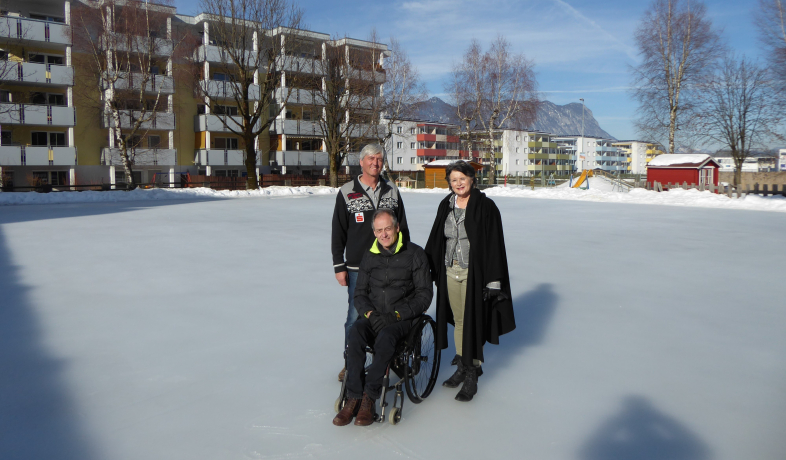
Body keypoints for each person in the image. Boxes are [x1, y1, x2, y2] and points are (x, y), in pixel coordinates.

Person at [424, 161, 516, 402]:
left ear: (472, 179)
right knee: (460, 320)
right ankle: (463, 365)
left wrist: (493, 280)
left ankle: (472, 372)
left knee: (473, 321)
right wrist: (427, 267)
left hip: (474, 273)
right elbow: (436, 237)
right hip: (450, 270)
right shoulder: (446, 204)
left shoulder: (486, 206)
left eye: (462, 178)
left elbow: (494, 243)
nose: (458, 183)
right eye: (454, 180)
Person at [332, 209, 432, 426]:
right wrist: (369, 314)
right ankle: (353, 397)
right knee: (356, 333)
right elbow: (359, 294)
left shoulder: (415, 254)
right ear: (374, 232)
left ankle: (369, 397)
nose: (384, 234)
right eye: (379, 230)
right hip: (375, 315)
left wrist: (397, 315)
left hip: (402, 319)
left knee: (386, 336)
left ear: (397, 228)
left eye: (388, 229)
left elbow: (424, 296)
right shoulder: (369, 256)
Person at [331, 144, 409, 382]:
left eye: (379, 159)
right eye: (371, 159)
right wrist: (339, 266)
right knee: (355, 317)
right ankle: (351, 363)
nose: (376, 163)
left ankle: (384, 358)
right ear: (361, 162)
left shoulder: (391, 190)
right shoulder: (347, 192)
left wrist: (405, 260)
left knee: (388, 312)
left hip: (389, 265)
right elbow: (338, 231)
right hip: (357, 268)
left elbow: (402, 227)